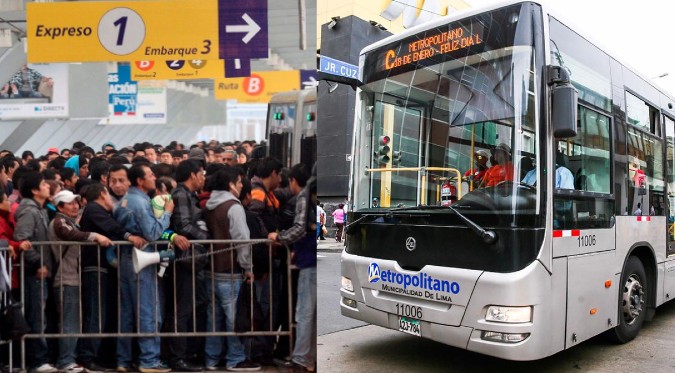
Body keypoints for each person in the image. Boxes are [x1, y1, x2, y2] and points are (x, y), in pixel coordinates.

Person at [113, 163, 176, 373]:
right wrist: (167, 214)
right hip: (141, 260)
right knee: (147, 310)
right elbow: (152, 233)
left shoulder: (123, 201)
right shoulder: (140, 203)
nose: (154, 177)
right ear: (140, 180)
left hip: (125, 260)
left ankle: (123, 359)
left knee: (127, 313)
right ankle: (149, 360)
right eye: (150, 175)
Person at [79, 183, 147, 372]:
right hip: (95, 267)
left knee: (101, 314)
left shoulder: (96, 210)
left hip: (102, 268)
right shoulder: (94, 209)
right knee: (95, 315)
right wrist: (129, 235)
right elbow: (112, 227)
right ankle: (88, 357)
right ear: (102, 194)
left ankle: (99, 356)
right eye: (109, 195)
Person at [48, 190, 113, 373]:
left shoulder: (69, 221)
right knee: (69, 322)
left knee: (73, 321)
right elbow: (70, 235)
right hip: (65, 278)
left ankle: (70, 360)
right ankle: (66, 361)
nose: (75, 206)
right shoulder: (60, 221)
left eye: (76, 202)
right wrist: (95, 236)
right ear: (60, 206)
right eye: (70, 203)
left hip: (71, 278)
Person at [203, 167, 260, 372]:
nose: (240, 185)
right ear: (230, 184)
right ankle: (235, 359)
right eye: (238, 182)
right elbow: (242, 239)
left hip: (210, 269)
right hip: (230, 271)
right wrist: (248, 267)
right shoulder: (233, 206)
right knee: (234, 318)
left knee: (213, 319)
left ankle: (211, 359)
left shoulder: (209, 205)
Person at [268, 164, 316, 372]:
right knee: (311, 313)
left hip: (308, 261)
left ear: (294, 181)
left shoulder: (305, 196)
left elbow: (299, 228)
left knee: (304, 312)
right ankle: (309, 359)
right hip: (310, 258)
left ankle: (300, 359)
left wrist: (279, 237)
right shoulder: (313, 193)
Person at [166, 160, 208, 372]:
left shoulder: (189, 195)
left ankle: (188, 352)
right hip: (184, 260)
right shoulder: (180, 195)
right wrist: (207, 238)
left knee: (193, 306)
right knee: (181, 310)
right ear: (193, 175)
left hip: (194, 260)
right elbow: (183, 225)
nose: (203, 177)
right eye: (201, 173)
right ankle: (177, 357)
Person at [13, 171, 55, 373]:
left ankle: (39, 358)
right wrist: (38, 263)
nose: (48, 186)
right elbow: (22, 240)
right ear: (34, 190)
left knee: (41, 315)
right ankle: (37, 360)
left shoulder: (40, 210)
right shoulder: (29, 211)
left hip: (40, 273)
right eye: (44, 184)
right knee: (37, 316)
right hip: (33, 274)